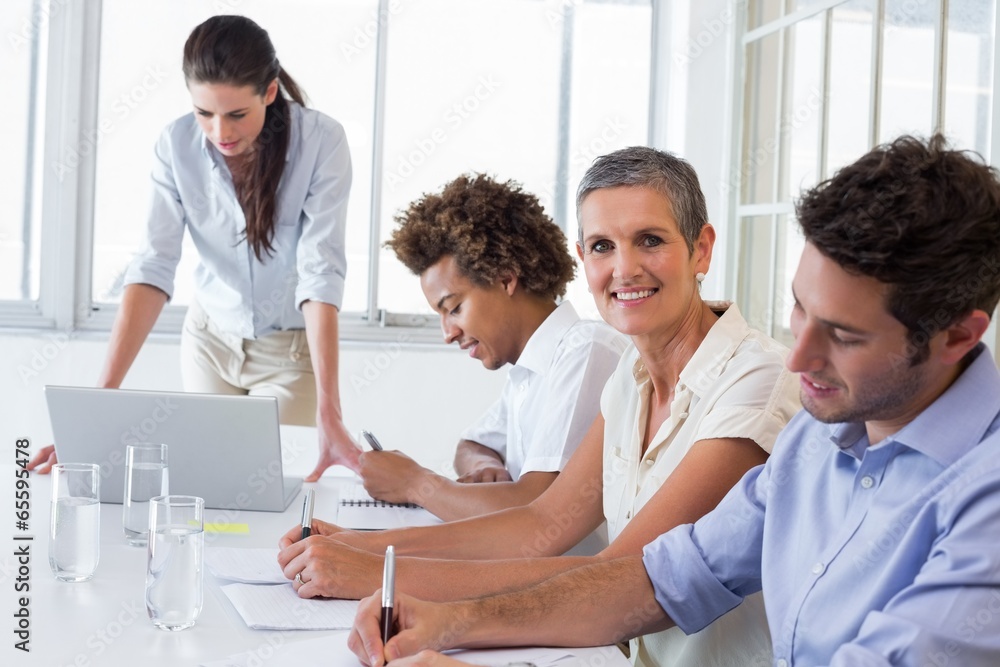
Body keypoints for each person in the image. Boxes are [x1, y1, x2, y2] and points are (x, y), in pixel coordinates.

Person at [348, 134, 1000, 667]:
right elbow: (660, 578)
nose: (798, 358)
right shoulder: (821, 433)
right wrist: (453, 620)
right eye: (799, 310)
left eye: (845, 334)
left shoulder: (983, 501)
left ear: (958, 335)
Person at [278, 147, 801, 667]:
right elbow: (539, 523)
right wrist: (368, 549)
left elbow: (626, 576)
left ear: (701, 250)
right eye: (602, 246)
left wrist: (385, 575)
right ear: (583, 259)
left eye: (650, 240)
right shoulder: (631, 376)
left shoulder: (756, 381)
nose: (624, 269)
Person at [27, 15, 358, 480]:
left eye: (236, 114)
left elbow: (320, 273)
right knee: (210, 486)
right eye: (204, 113)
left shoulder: (321, 142)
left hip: (288, 353)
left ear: (269, 91)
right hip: (210, 341)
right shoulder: (175, 146)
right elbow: (153, 266)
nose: (220, 132)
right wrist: (99, 406)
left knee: (274, 488)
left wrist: (330, 411)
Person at [358, 173, 627, 520]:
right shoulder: (527, 372)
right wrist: (485, 465)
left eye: (454, 308)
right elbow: (472, 445)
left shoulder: (586, 352)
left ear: (505, 279)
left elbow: (537, 508)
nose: (448, 333)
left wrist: (414, 483)